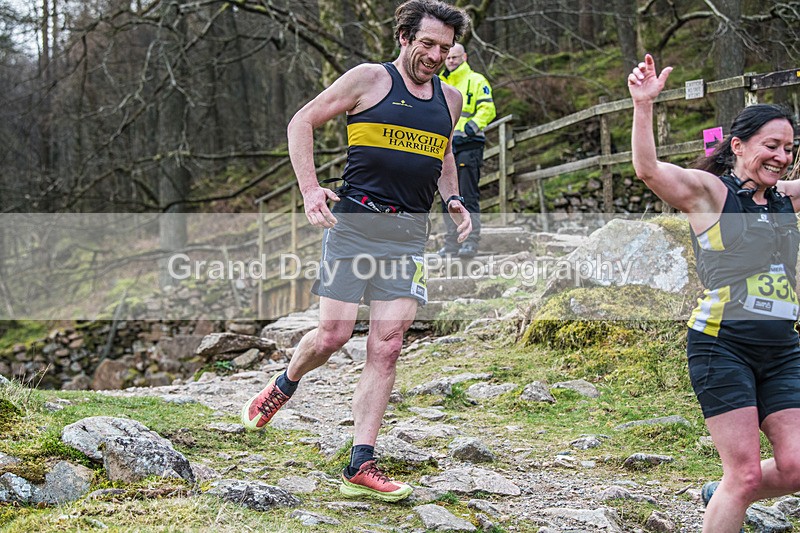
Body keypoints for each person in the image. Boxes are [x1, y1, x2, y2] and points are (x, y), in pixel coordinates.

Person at [241, 0, 471, 503]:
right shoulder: (369, 80)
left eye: (445, 48)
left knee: (386, 346)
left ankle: (361, 461)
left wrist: (453, 198)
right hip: (353, 227)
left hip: (409, 236)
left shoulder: (450, 98)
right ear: (405, 38)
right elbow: (301, 121)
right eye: (427, 44)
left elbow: (445, 151)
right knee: (332, 336)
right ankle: (285, 382)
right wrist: (308, 189)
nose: (435, 55)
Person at [629, 54, 800, 533]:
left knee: (796, 468)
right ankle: (731, 491)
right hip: (723, 344)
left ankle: (720, 493)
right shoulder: (711, 194)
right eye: (772, 145)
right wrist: (643, 106)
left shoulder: (786, 197)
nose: (781, 157)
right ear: (739, 145)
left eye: (789, 148)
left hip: (783, 347)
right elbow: (647, 169)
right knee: (743, 474)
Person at [437, 42, 496, 259]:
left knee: (467, 195)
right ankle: (451, 243)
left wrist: (471, 128)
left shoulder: (476, 80)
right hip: (445, 147)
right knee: (447, 197)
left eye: (455, 57)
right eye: (448, 57)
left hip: (469, 145)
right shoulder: (439, 82)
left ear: (465, 57)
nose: (451, 61)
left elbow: (488, 108)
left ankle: (470, 241)